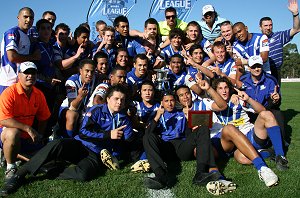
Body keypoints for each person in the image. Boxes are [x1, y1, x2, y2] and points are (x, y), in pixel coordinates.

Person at [0, 84, 135, 196]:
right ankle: (19, 175)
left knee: (84, 175)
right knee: (58, 144)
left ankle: (48, 169)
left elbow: (128, 142)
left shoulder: (124, 119)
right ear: (108, 99)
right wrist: (107, 134)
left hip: (97, 154)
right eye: (116, 99)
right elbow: (83, 132)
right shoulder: (96, 110)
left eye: (122, 100)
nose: (119, 102)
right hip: (81, 145)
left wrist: (118, 152)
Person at [176, 82, 279, 189]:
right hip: (211, 146)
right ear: (178, 99)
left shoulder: (203, 102)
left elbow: (222, 106)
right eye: (181, 95)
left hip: (222, 140)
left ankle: (262, 168)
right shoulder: (178, 114)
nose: (185, 97)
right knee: (201, 150)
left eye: (187, 93)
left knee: (229, 128)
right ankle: (218, 178)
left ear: (191, 94)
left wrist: (208, 88)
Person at [143, 91, 235, 194]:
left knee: (203, 128)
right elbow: (148, 133)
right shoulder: (157, 114)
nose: (169, 104)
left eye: (172, 100)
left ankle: (200, 173)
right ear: (162, 103)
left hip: (182, 147)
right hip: (166, 147)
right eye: (166, 101)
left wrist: (189, 117)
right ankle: (161, 176)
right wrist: (157, 116)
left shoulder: (182, 112)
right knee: (148, 136)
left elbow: (193, 133)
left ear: (175, 101)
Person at [212, 76, 288, 172]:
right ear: (215, 91)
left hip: (248, 135)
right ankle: (267, 153)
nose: (224, 91)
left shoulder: (238, 100)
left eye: (226, 87)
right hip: (229, 143)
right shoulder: (210, 104)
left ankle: (280, 155)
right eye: (220, 88)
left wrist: (248, 99)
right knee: (241, 158)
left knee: (266, 114)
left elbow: (262, 110)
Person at [0, 62, 50, 180]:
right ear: (19, 75)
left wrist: (40, 135)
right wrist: (28, 128)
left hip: (27, 136)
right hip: (6, 133)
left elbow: (44, 117)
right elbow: (4, 120)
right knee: (13, 133)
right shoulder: (9, 93)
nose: (30, 76)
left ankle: (11, 154)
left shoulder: (38, 94)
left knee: (45, 157)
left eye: (33, 73)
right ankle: (10, 167)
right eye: (26, 72)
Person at [240, 55, 287, 143]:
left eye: (259, 66)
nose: (256, 69)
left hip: (265, 110)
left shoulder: (270, 80)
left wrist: (276, 100)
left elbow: (275, 102)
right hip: (248, 111)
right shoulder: (242, 80)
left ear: (262, 66)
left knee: (278, 114)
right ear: (249, 68)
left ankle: (281, 142)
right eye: (254, 67)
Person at [0, 7, 41, 94]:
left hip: (21, 83)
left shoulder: (27, 36)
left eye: (31, 18)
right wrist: (33, 57)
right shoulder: (12, 32)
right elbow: (12, 57)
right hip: (8, 83)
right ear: (18, 17)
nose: (28, 20)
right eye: (25, 17)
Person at [259, 0, 300, 85]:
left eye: (270, 25)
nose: (268, 28)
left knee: (275, 97)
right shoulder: (257, 40)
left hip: (275, 72)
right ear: (260, 27)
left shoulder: (279, 36)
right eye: (266, 25)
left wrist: (295, 14)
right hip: (261, 72)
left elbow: (296, 29)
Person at [58, 59, 96, 138]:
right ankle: (68, 139)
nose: (89, 74)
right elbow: (72, 106)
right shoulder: (71, 82)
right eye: (87, 71)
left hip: (83, 109)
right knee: (72, 114)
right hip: (68, 109)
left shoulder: (94, 78)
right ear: (80, 70)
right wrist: (80, 96)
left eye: (92, 71)